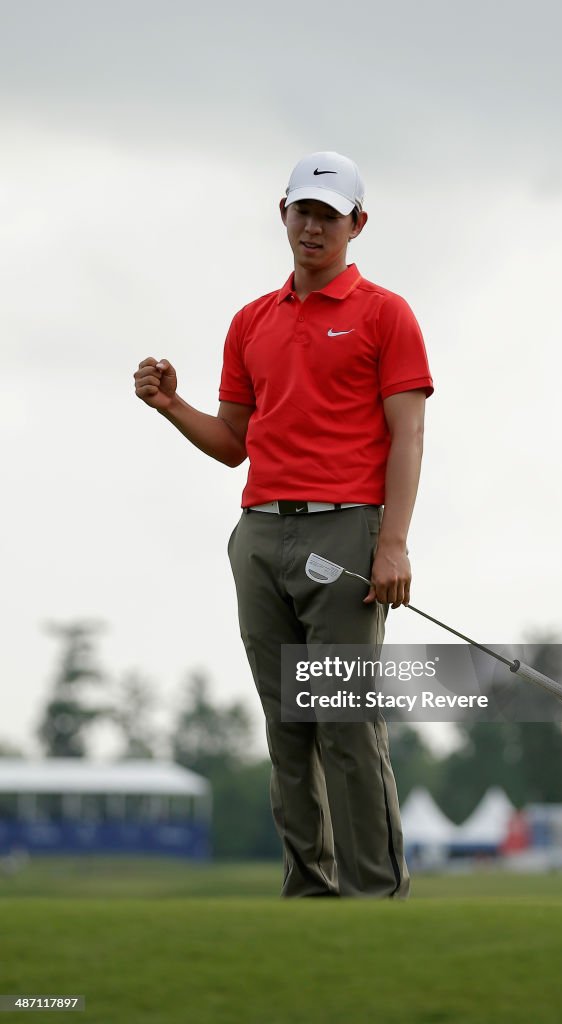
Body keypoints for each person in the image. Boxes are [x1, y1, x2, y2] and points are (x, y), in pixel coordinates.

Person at [134, 151, 433, 898]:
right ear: (283, 214)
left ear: (356, 225)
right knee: (286, 727)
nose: (313, 226)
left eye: (329, 216)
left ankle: (375, 893)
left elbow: (409, 435)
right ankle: (308, 894)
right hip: (260, 534)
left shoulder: (384, 314)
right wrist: (172, 407)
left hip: (346, 534)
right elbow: (233, 444)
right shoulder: (251, 322)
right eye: (303, 211)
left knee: (344, 723)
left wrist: (392, 541)